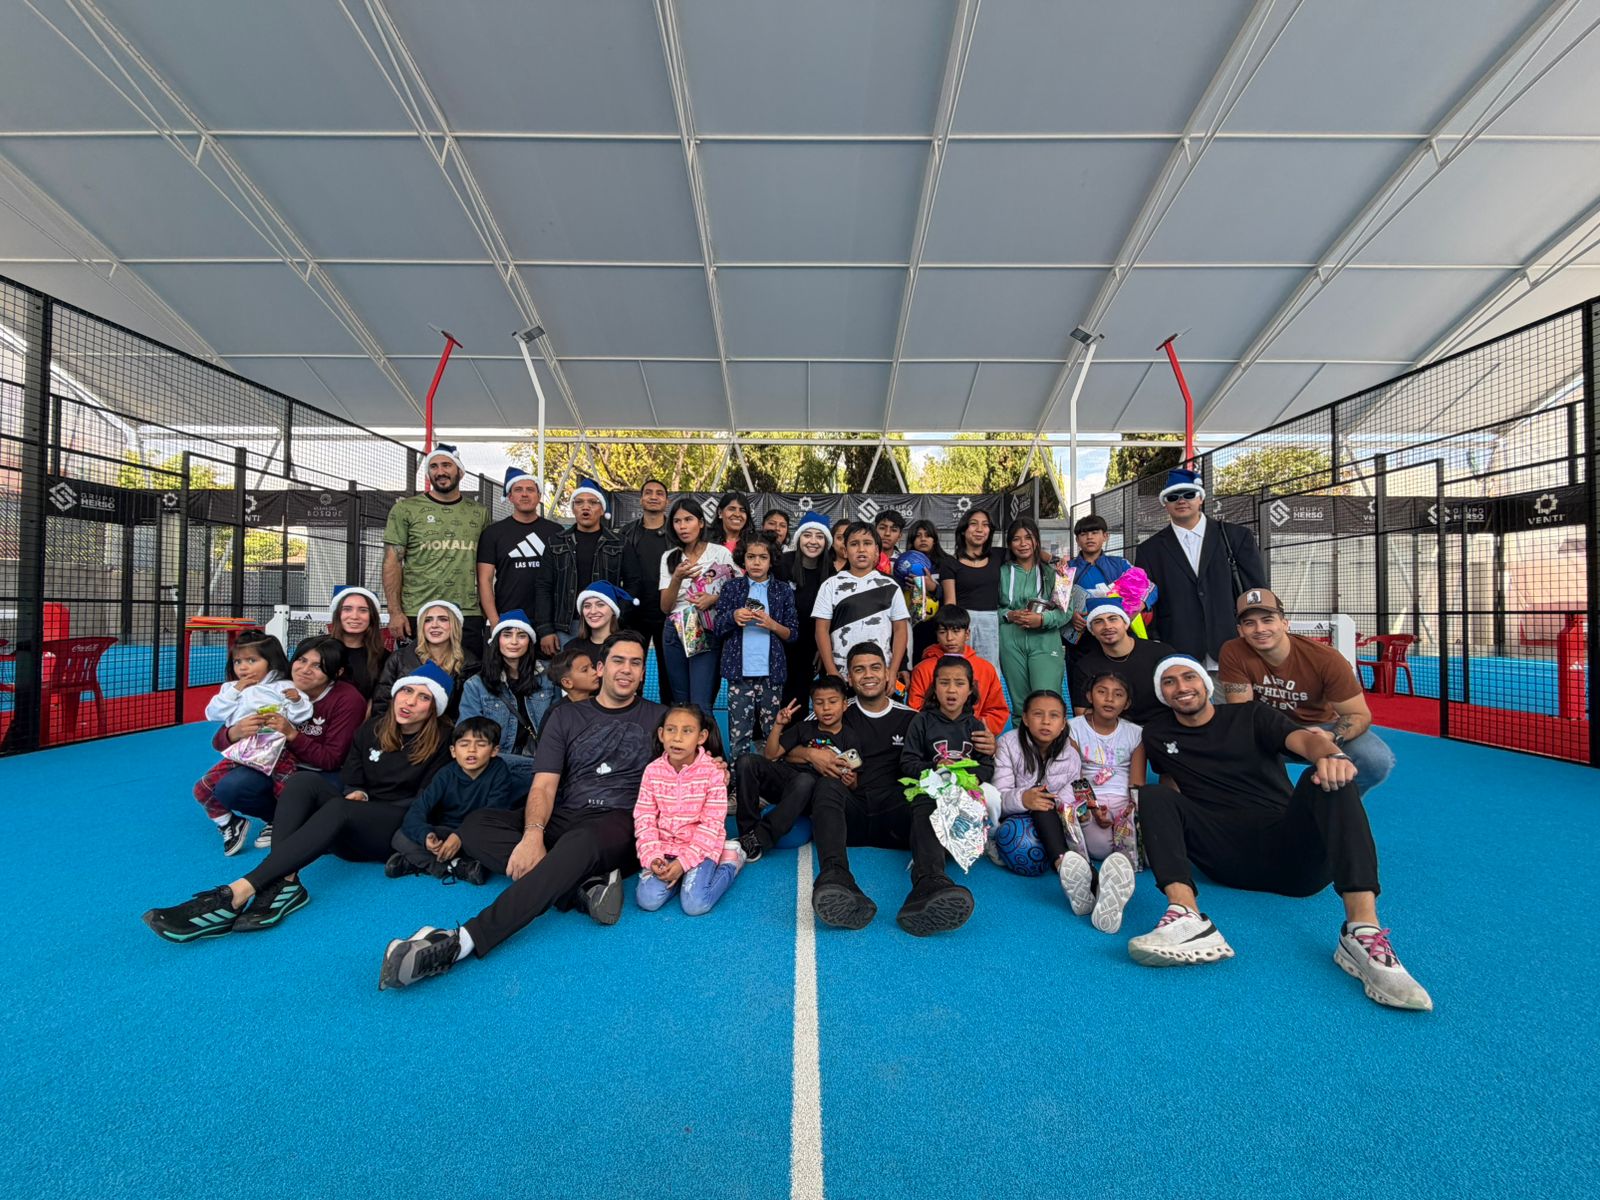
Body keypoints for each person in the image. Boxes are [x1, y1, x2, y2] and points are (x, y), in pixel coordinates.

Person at [1127, 656, 1432, 1012]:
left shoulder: (1252, 715)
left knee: (1329, 780)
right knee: (1153, 796)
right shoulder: (1158, 734)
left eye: (1189, 677)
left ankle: (1362, 932)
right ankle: (1186, 917)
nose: (1181, 687)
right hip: (1224, 858)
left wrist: (1332, 755)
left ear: (1206, 684)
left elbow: (1304, 740)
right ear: (1162, 694)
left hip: (1292, 857)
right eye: (1169, 682)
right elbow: (1169, 784)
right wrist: (1160, 840)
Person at [376, 632, 669, 989]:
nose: (627, 669)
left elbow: (696, 763)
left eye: (636, 663)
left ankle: (462, 941)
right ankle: (580, 889)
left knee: (578, 844)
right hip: (565, 813)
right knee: (476, 825)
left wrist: (713, 766)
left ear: (643, 673)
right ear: (600, 668)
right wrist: (533, 834)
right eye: (618, 661)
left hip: (619, 823)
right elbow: (543, 785)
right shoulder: (565, 715)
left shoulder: (661, 718)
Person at [144, 661, 455, 942]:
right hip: (354, 814)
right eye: (407, 692)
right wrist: (357, 791)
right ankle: (286, 880)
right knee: (302, 782)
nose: (409, 702)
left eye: (423, 698)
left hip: (397, 827)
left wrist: (359, 806)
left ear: (434, 708)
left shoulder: (443, 742)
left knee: (339, 807)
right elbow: (353, 775)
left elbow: (426, 803)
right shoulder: (373, 728)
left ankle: (237, 893)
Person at [809, 643, 974, 937]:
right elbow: (785, 746)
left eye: (875, 668)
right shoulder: (836, 711)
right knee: (826, 784)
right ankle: (835, 876)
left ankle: (930, 883)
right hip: (851, 816)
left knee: (925, 791)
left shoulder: (911, 718)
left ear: (888, 674)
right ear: (849, 678)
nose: (868, 675)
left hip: (897, 821)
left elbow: (951, 749)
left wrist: (987, 745)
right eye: (859, 669)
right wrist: (809, 754)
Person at [1218, 588, 1394, 795]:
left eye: (1267, 620)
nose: (1260, 629)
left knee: (1375, 759)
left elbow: (1358, 714)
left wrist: (1332, 736)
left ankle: (1335, 803)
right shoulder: (1233, 651)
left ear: (1284, 623)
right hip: (1270, 727)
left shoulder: (1326, 659)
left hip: (1322, 727)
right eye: (1250, 623)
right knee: (1222, 748)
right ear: (1240, 630)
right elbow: (1243, 711)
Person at [992, 690, 1130, 932]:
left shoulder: (1069, 752)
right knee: (1041, 804)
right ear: (1025, 718)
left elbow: (1073, 791)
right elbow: (997, 796)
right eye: (1038, 714)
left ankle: (1095, 889)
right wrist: (1025, 798)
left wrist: (1088, 809)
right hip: (1015, 818)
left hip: (1054, 816)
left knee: (1051, 808)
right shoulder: (1008, 744)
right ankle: (1066, 865)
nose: (1046, 722)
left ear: (1063, 722)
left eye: (1054, 716)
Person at [193, 631, 311, 853]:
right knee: (202, 788)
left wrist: (296, 701)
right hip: (242, 752)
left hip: (277, 750)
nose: (243, 667)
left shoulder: (282, 686)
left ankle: (286, 824)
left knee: (286, 790)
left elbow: (301, 714)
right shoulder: (230, 689)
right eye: (238, 661)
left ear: (270, 661)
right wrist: (235, 692)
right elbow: (213, 713)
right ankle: (230, 823)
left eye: (251, 660)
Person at [1135, 467, 1266, 666]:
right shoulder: (1149, 549)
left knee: (1236, 689)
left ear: (1201, 498)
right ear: (1165, 504)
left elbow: (1255, 590)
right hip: (1177, 648)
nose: (1181, 501)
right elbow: (1149, 599)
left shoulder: (1236, 537)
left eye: (1189, 494)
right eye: (1173, 497)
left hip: (1233, 644)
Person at [634, 703, 744, 915]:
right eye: (671, 730)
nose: (677, 738)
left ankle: (730, 862)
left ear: (701, 737)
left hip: (702, 847)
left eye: (687, 731)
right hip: (665, 848)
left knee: (695, 904)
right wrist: (653, 856)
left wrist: (684, 863)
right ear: (661, 734)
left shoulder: (713, 772)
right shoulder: (652, 771)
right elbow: (644, 818)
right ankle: (680, 876)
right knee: (647, 900)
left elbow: (712, 825)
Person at [383, 443, 490, 657]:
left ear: (460, 471)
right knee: (418, 675)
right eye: (433, 466)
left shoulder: (479, 513)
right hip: (417, 611)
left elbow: (485, 567)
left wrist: (488, 612)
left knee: (467, 674)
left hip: (467, 612)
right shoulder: (405, 509)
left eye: (446, 465)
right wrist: (395, 612)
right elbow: (392, 562)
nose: (440, 471)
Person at [388, 715, 521, 883]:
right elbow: (417, 810)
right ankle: (457, 867)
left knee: (499, 846)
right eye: (464, 744)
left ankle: (418, 862)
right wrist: (426, 836)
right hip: (446, 832)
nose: (471, 750)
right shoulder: (445, 774)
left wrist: (460, 836)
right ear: (453, 751)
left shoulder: (499, 771)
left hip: (479, 834)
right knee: (400, 837)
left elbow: (494, 813)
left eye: (481, 744)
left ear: (494, 750)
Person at [734, 675, 850, 861]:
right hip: (786, 785)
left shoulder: (850, 737)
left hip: (813, 796)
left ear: (845, 705)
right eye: (819, 703)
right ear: (812, 705)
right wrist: (778, 725)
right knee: (746, 761)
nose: (826, 708)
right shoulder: (803, 727)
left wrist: (849, 780)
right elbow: (771, 755)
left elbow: (854, 780)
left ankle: (760, 838)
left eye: (832, 702)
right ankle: (747, 836)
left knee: (805, 780)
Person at [1061, 673, 1143, 931]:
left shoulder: (1136, 733)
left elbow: (1137, 784)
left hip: (1122, 804)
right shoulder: (1073, 728)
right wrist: (1094, 810)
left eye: (1118, 695)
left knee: (1146, 836)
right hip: (1088, 803)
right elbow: (1074, 777)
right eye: (1102, 692)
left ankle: (1110, 882)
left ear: (1127, 703)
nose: (1109, 699)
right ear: (1089, 696)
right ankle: (1097, 879)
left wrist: (1128, 816)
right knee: (1098, 848)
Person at [714, 537, 798, 756]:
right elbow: (718, 627)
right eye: (751, 557)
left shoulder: (783, 590)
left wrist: (772, 624)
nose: (757, 562)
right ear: (743, 559)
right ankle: (738, 776)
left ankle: (770, 774)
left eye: (763, 557)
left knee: (772, 734)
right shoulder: (731, 588)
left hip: (772, 675)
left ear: (771, 561)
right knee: (739, 735)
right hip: (739, 675)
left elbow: (792, 634)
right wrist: (733, 616)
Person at [659, 497, 737, 709]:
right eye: (677, 521)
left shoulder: (720, 553)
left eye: (688, 519)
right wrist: (677, 577)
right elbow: (665, 607)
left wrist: (714, 599)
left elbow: (738, 593)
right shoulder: (669, 557)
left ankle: (705, 733)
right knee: (681, 704)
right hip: (675, 627)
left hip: (705, 627)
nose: (682, 526)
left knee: (701, 704)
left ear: (701, 522)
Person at [458, 609, 544, 791]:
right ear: (497, 641)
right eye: (507, 635)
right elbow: (468, 737)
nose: (514, 641)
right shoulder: (476, 685)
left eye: (521, 635)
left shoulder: (547, 680)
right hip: (497, 763)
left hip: (540, 760)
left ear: (530, 642)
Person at [536, 478, 624, 656]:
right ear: (573, 508)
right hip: (566, 626)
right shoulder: (556, 542)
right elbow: (543, 586)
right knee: (567, 672)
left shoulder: (619, 543)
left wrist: (620, 621)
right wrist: (545, 630)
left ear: (602, 509)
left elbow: (633, 583)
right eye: (579, 502)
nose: (586, 507)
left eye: (593, 502)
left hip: (607, 625)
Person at [813, 521, 910, 682]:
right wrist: (831, 671)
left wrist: (893, 671)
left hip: (880, 674)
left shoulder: (891, 586)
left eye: (867, 543)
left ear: (877, 551)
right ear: (845, 551)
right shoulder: (830, 585)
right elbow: (821, 630)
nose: (861, 549)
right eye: (854, 544)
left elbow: (900, 630)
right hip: (842, 675)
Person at [476, 466, 564, 632]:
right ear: (510, 496)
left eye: (530, 490)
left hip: (550, 621)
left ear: (539, 496)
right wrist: (494, 621)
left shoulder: (556, 532)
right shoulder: (493, 533)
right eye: (518, 490)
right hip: (508, 619)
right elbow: (484, 580)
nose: (524, 494)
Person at [1069, 595, 1177, 724]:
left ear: (1126, 624)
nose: (1107, 626)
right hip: (1117, 731)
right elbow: (1082, 714)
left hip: (1164, 726)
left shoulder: (1161, 652)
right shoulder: (1086, 666)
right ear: (1092, 630)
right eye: (1098, 622)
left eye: (1113, 619)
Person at [997, 516, 1068, 711]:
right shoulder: (1001, 572)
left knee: (1047, 702)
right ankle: (1020, 733)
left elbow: (1065, 611)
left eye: (1028, 537)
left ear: (1036, 540)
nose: (1023, 544)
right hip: (1010, 641)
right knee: (1020, 706)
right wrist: (1009, 615)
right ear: (1009, 544)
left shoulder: (1054, 573)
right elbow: (988, 609)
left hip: (1045, 641)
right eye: (1016, 539)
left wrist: (1043, 619)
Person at [1063, 514, 1154, 662]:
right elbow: (1056, 600)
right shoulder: (1067, 569)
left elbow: (1150, 588)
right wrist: (1070, 616)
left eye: (1095, 532)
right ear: (1077, 540)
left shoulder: (1120, 564)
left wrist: (1137, 607)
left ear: (1105, 536)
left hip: (1120, 634)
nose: (1089, 537)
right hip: (1082, 637)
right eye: (1083, 534)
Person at [906, 605, 1009, 735]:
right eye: (942, 632)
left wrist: (973, 729)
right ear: (936, 635)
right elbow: (915, 709)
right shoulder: (922, 669)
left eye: (956, 631)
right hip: (933, 737)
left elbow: (997, 710)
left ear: (967, 634)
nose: (950, 638)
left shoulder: (986, 669)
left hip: (974, 737)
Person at [372, 599, 476, 722]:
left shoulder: (470, 664)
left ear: (456, 625)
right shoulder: (398, 658)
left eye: (443, 619)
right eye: (428, 620)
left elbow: (466, 713)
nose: (434, 625)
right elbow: (382, 703)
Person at [901, 655, 996, 788]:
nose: (951, 690)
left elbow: (986, 765)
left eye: (960, 683)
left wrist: (972, 780)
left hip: (967, 788)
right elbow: (908, 764)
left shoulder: (976, 726)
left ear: (970, 689)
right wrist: (936, 766)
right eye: (944, 683)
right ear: (934, 687)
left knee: (992, 796)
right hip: (929, 787)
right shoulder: (921, 721)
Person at [618, 478, 674, 703]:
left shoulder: (676, 533)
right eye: (648, 492)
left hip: (669, 615)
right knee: (631, 671)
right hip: (634, 616)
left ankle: (670, 717)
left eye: (659, 493)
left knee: (669, 676)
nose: (653, 496)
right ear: (640, 499)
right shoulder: (626, 533)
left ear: (667, 501)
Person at [781, 512, 833, 708]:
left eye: (819, 536)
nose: (813, 541)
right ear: (798, 538)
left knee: (799, 701)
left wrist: (823, 647)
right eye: (807, 535)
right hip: (781, 644)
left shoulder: (831, 573)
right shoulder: (782, 564)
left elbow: (833, 617)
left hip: (811, 649)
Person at [949, 507, 1002, 667]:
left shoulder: (998, 555)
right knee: (960, 671)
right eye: (973, 524)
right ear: (963, 530)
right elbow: (950, 603)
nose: (980, 529)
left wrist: (1052, 559)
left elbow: (1029, 550)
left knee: (988, 672)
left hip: (991, 624)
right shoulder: (950, 562)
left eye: (985, 525)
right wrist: (953, 631)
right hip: (962, 624)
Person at [326, 584, 387, 701]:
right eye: (347, 609)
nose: (354, 616)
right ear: (337, 614)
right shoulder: (315, 647)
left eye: (363, 610)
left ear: (372, 616)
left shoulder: (384, 658)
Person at [903, 518, 952, 662]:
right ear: (912, 540)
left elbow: (953, 598)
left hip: (939, 626)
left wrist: (933, 587)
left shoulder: (947, 563)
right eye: (918, 536)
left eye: (927, 535)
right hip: (914, 625)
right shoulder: (904, 564)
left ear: (934, 540)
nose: (923, 539)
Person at [538, 642, 601, 733]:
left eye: (592, 667)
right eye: (585, 670)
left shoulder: (602, 703)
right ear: (567, 682)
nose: (595, 672)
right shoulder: (557, 713)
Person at [575, 580, 636, 651]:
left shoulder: (628, 647)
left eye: (600, 605)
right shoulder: (571, 647)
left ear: (613, 610)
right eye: (587, 606)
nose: (593, 611)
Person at [874, 509, 905, 574]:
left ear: (899, 536)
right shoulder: (864, 558)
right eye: (882, 528)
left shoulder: (904, 562)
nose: (887, 533)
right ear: (875, 531)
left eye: (893, 530)